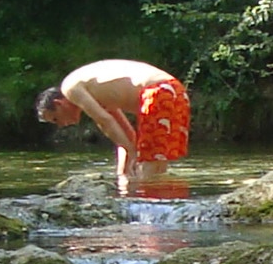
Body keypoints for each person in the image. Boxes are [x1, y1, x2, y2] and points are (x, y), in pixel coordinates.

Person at [37, 59, 191, 194]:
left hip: (158, 92)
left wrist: (132, 153)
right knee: (157, 164)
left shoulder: (70, 88)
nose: (61, 125)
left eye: (56, 119)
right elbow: (125, 134)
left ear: (59, 103)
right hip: (176, 91)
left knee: (147, 164)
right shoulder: (99, 93)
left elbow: (105, 121)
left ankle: (147, 211)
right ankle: (161, 206)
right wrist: (122, 173)